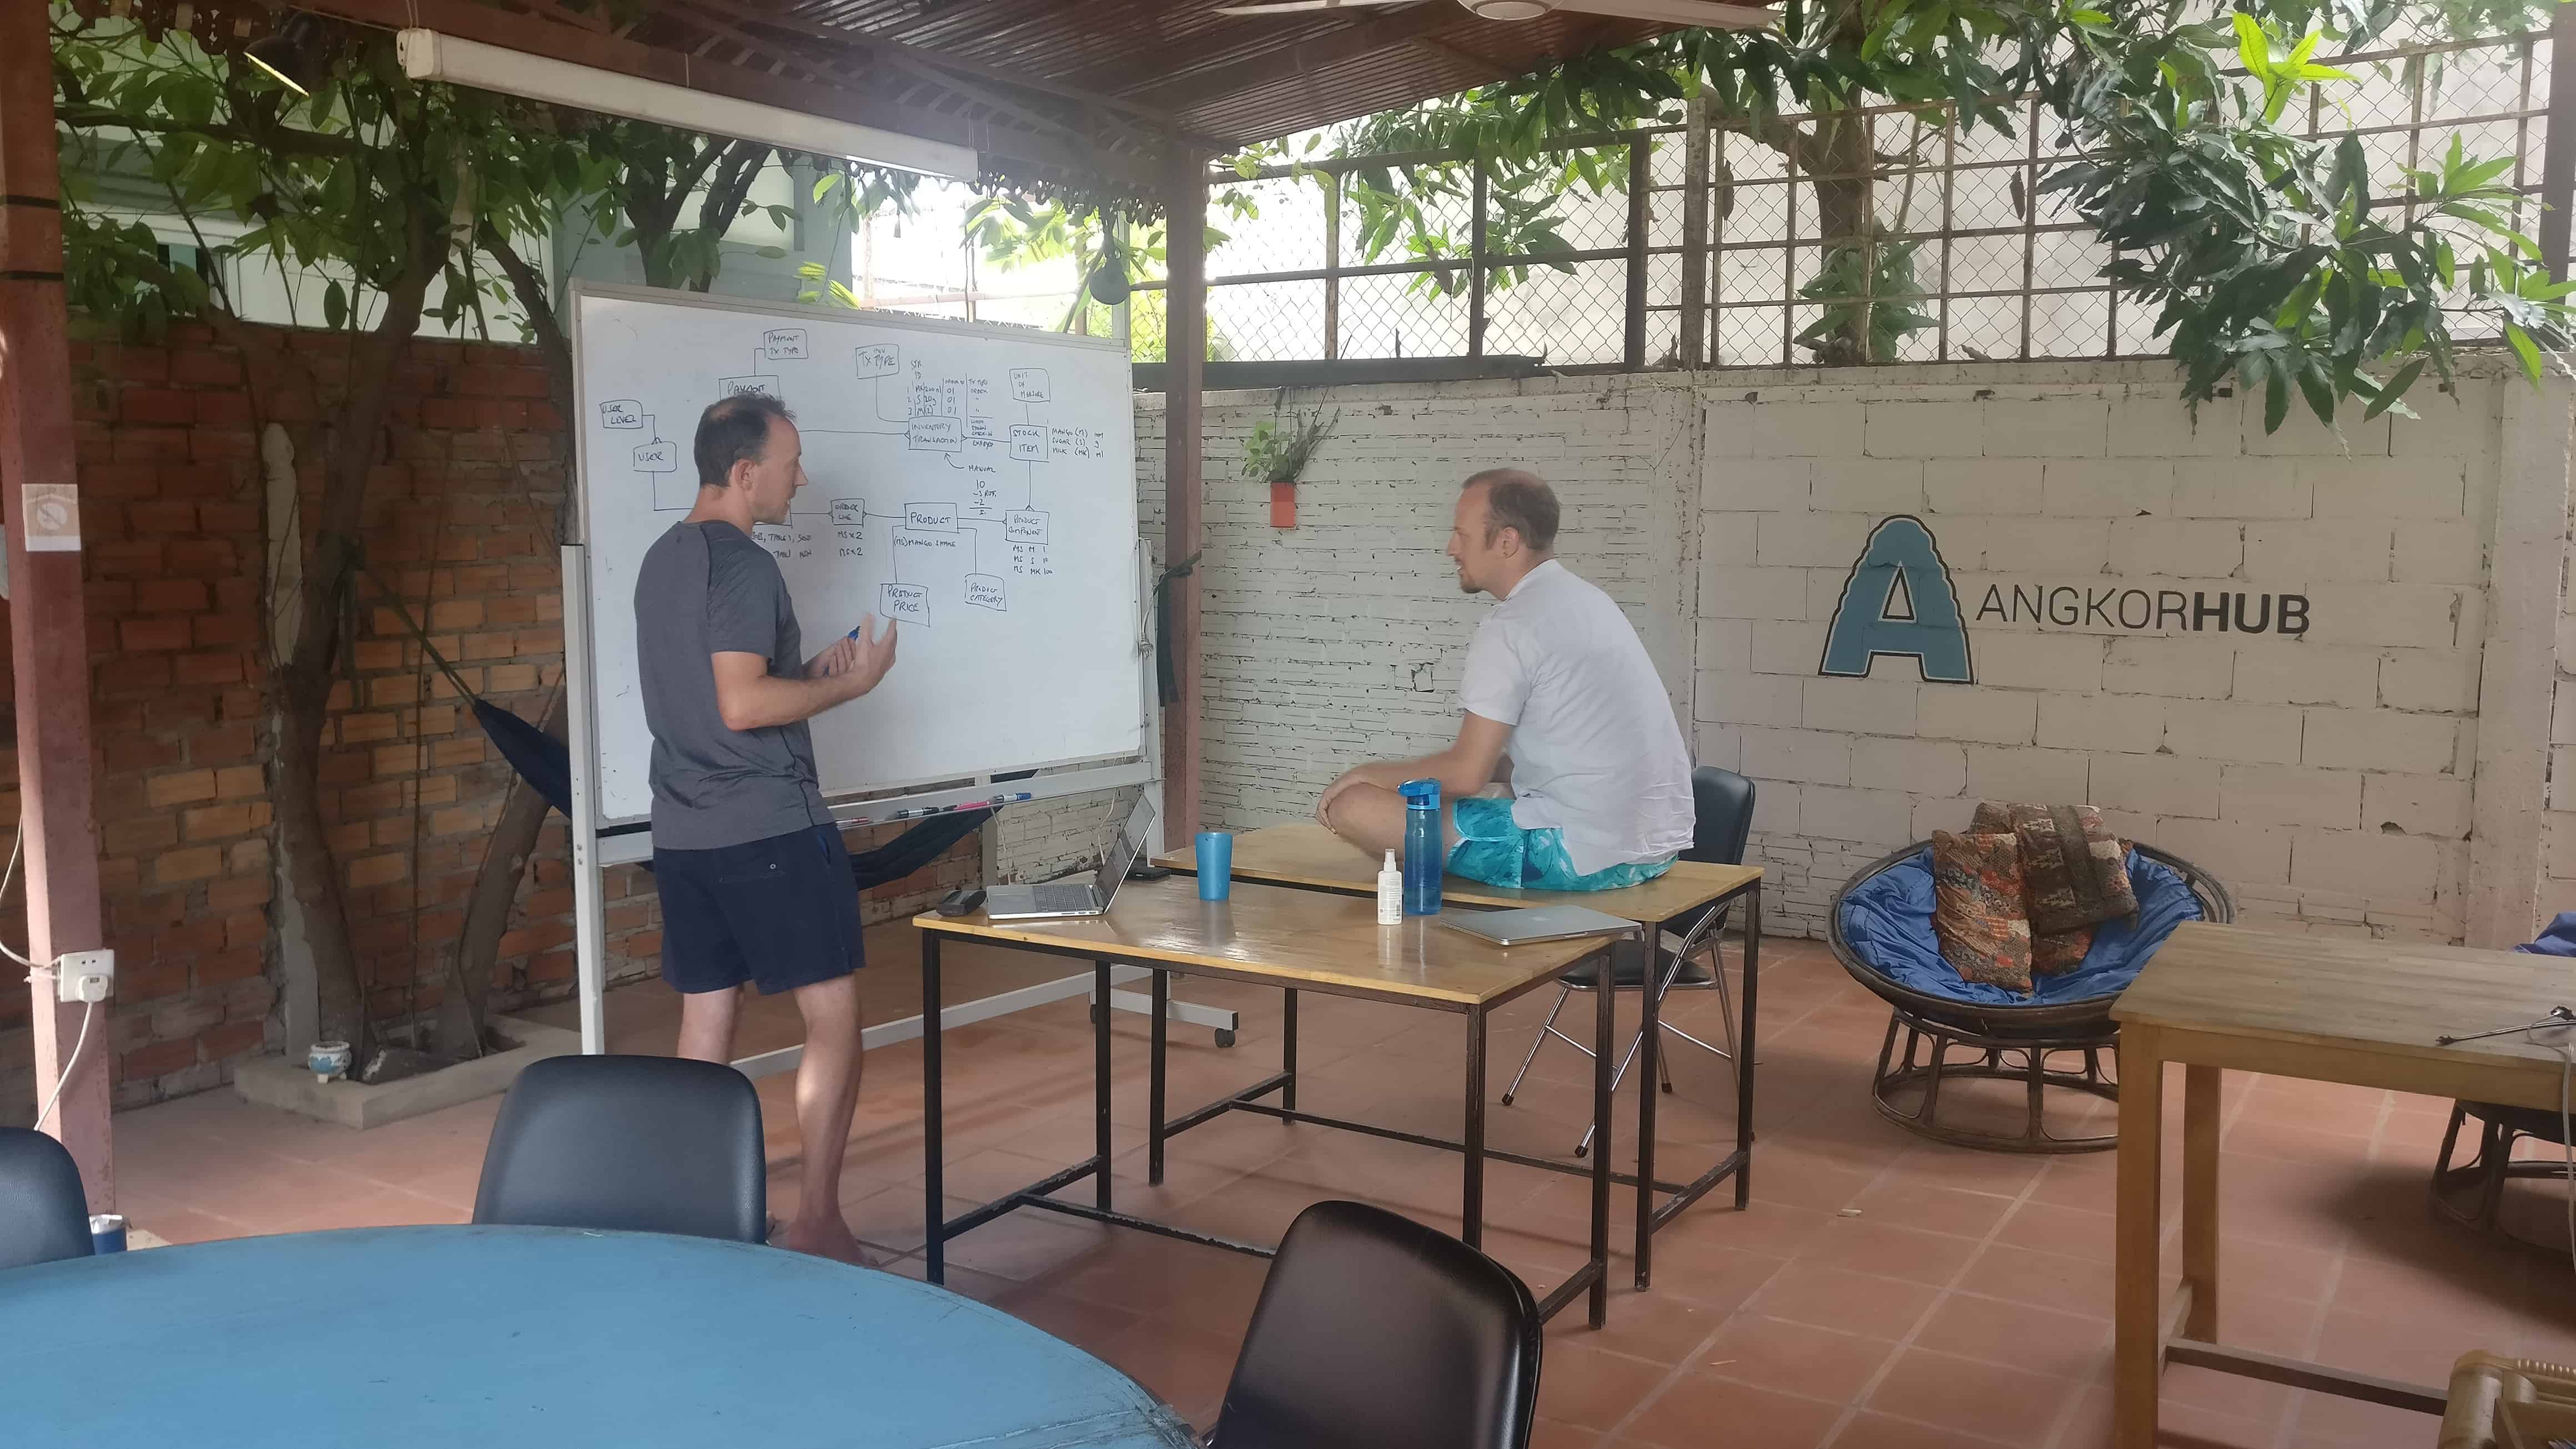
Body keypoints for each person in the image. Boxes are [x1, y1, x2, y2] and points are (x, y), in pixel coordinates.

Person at [633, 393, 897, 1263]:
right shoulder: (744, 566)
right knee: (834, 1017)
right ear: (745, 475)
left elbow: (726, 690)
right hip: (769, 830)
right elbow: (742, 704)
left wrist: (808, 669)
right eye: (789, 462)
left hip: (685, 835)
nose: (801, 476)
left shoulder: (660, 561)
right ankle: (818, 1221)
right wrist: (851, 687)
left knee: (706, 1017)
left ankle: (696, 1207)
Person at [1316, 469, 1693, 892]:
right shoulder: (1590, 602)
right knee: (1455, 800)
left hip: (1581, 855)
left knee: (1354, 807)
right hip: (1653, 848)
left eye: (1462, 535)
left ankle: (1433, 887)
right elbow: (1522, 759)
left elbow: (1466, 774)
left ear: (1507, 542)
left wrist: (1365, 775)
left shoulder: (1512, 624)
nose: (1451, 548)